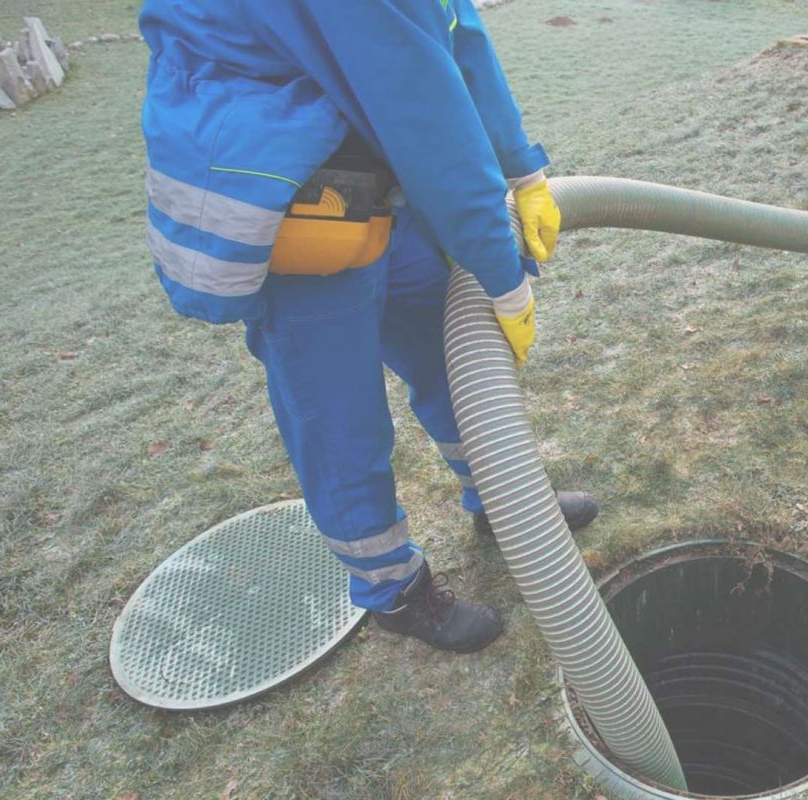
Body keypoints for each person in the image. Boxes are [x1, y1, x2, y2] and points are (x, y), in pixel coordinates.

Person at [138, 0, 598, 654]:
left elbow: (454, 33)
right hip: (289, 198)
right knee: (340, 419)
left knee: (450, 356)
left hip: (366, 165)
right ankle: (394, 590)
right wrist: (503, 276)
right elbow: (424, 112)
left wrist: (522, 168)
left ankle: (504, 500)